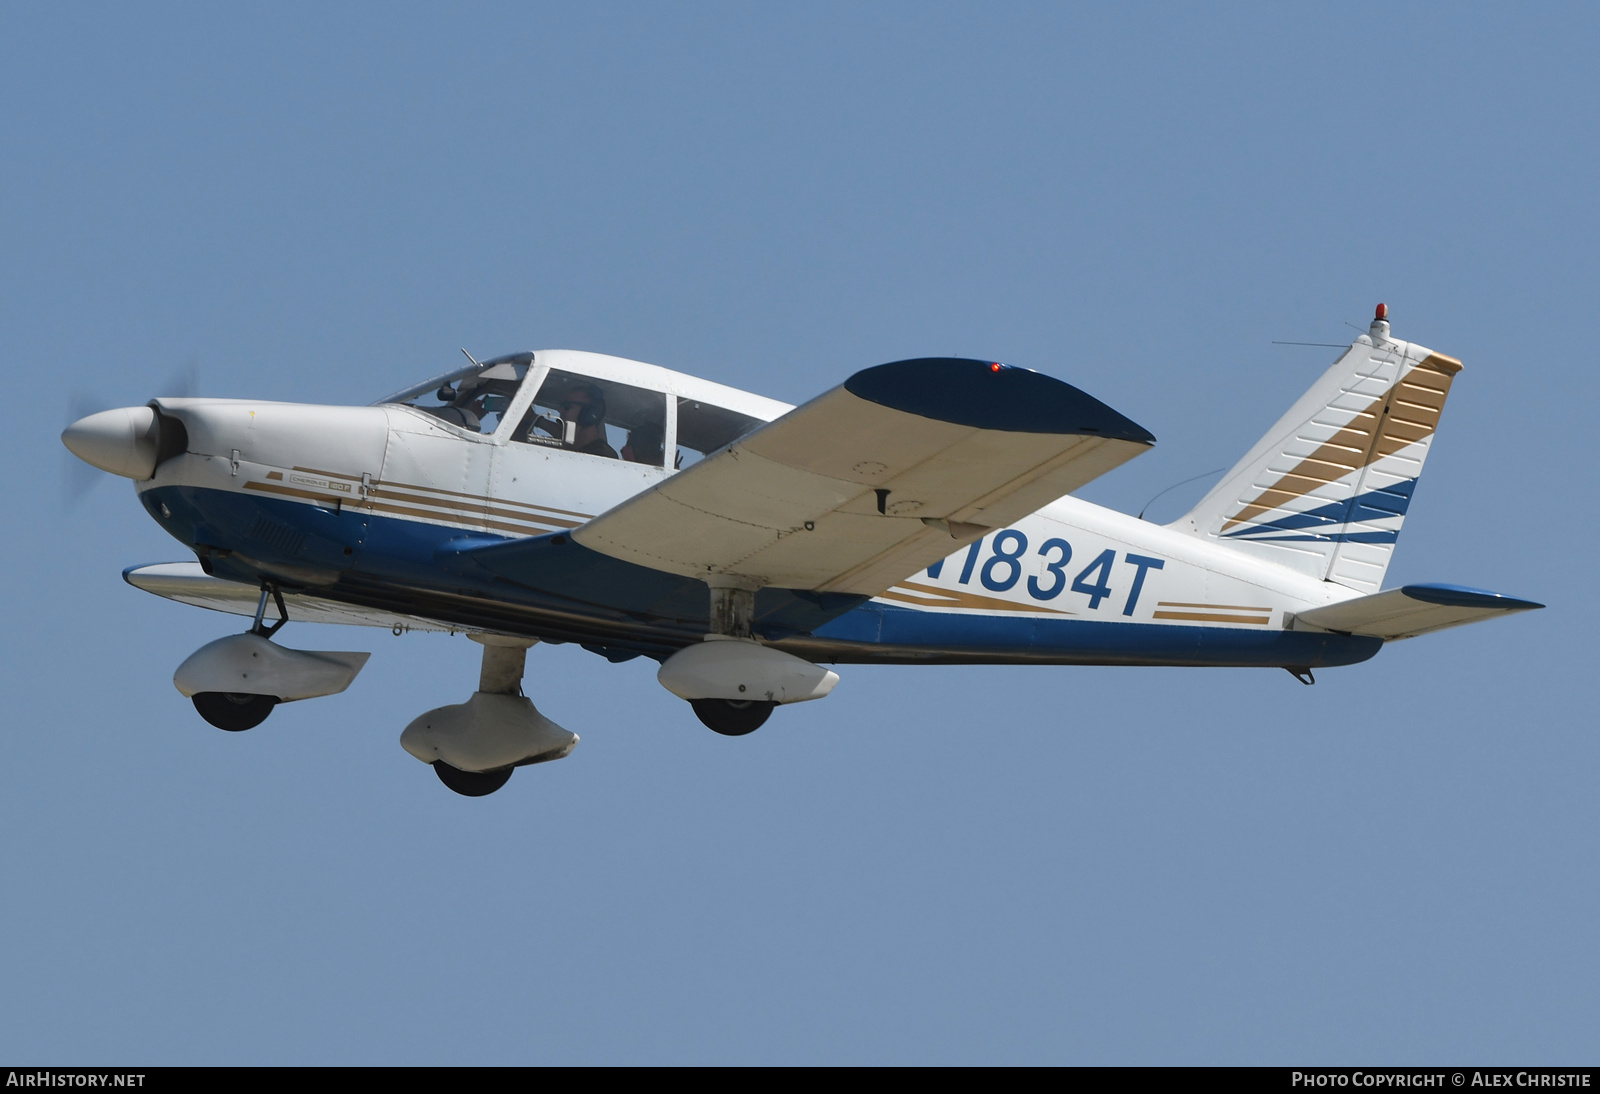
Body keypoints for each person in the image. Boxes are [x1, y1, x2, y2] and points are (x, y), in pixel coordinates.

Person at [558, 383, 618, 459]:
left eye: (567, 406)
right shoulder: (576, 447)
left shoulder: (600, 455)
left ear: (587, 414)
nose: (560, 410)